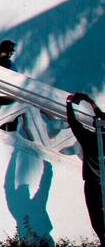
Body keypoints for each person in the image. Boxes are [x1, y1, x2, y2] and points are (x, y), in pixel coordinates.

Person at [66, 92, 105, 243]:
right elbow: (101, 116)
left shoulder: (89, 138)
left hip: (93, 184)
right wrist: (91, 102)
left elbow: (73, 122)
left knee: (97, 217)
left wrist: (69, 104)